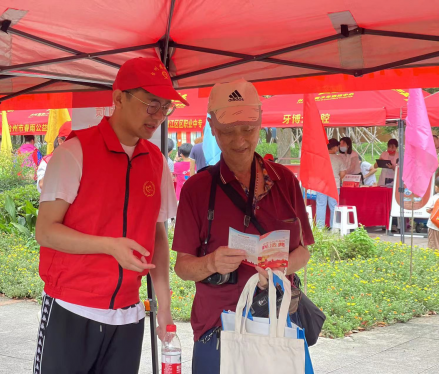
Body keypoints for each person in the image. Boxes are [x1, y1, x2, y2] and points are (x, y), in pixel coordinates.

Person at [34, 57, 186, 374]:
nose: (159, 116)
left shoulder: (156, 162)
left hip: (129, 316)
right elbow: (46, 231)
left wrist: (165, 310)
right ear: (118, 98)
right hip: (72, 308)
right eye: (151, 105)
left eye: (166, 108)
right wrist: (109, 246)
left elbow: (158, 236)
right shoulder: (74, 153)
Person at [172, 79, 313, 373]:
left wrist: (279, 268)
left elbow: (303, 252)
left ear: (261, 121)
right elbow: (183, 267)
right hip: (218, 329)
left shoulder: (285, 181)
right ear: (211, 126)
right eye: (227, 132)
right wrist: (211, 262)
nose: (240, 141)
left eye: (248, 129)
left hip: (275, 324)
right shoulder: (197, 189)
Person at [316, 139, 346, 228]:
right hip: (334, 185)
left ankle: (319, 228)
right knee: (334, 207)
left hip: (321, 184)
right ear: (335, 147)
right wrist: (337, 178)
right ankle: (334, 228)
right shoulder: (339, 158)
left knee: (321, 205)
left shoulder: (319, 157)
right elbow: (343, 173)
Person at [36, 123, 72, 193]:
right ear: (60, 141)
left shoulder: (83, 159)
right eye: (72, 141)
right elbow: (42, 184)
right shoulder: (47, 161)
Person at [426, 177, 439, 250]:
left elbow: (428, 209)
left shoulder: (434, 198)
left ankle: (435, 260)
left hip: (434, 225)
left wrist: (431, 209)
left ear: (436, 187)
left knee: (433, 246)